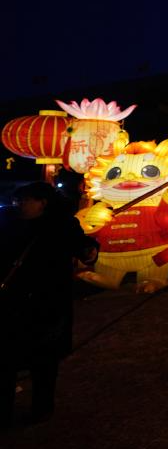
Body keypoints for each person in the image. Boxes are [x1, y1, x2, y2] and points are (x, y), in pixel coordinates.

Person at [1, 182, 99, 427]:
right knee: (6, 357)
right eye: (17, 200)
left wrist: (89, 251)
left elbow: (82, 246)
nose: (19, 204)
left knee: (44, 359)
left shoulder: (62, 225)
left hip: (47, 302)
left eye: (25, 200)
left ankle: (42, 407)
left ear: (42, 203)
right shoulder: (9, 223)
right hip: (12, 301)